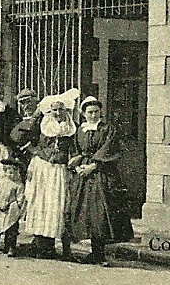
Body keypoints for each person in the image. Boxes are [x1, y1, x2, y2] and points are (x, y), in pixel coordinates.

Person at [63, 96, 133, 265]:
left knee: (100, 213)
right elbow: (77, 150)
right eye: (90, 112)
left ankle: (100, 253)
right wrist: (78, 163)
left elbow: (110, 149)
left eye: (96, 112)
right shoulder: (80, 130)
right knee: (86, 213)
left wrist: (93, 166)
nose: (93, 115)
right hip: (84, 175)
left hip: (102, 173)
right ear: (84, 113)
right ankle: (94, 253)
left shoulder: (108, 129)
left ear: (100, 112)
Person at [17, 88, 79, 259]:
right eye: (54, 110)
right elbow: (18, 136)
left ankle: (60, 247)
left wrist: (74, 159)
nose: (58, 113)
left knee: (57, 206)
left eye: (61, 109)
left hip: (59, 170)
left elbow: (76, 149)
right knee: (40, 204)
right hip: (42, 168)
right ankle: (41, 245)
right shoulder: (43, 123)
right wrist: (34, 150)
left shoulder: (72, 127)